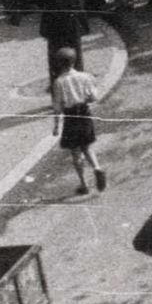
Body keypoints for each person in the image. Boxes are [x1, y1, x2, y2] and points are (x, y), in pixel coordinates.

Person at [50, 47, 106, 195]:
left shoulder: (59, 82)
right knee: (87, 147)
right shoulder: (85, 77)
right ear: (74, 61)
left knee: (75, 153)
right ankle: (97, 168)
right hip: (85, 113)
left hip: (71, 117)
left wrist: (56, 126)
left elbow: (57, 106)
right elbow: (94, 97)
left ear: (59, 63)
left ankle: (84, 184)